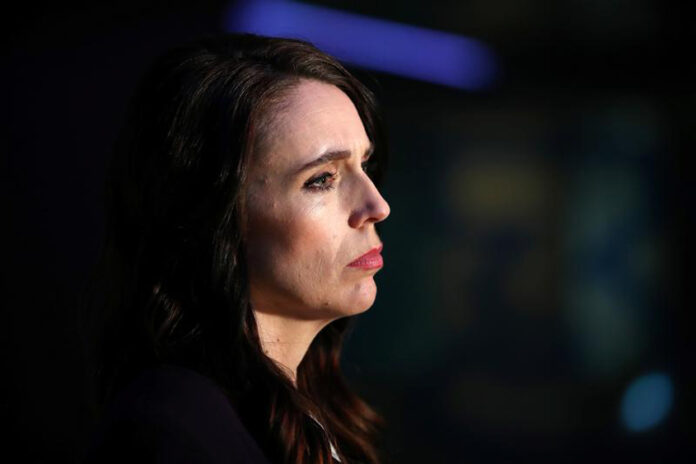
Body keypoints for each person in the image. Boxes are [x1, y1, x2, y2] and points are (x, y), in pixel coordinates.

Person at [83, 33, 390, 464]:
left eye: (365, 164)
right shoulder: (171, 433)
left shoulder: (315, 414)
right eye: (322, 179)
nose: (377, 206)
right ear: (215, 217)